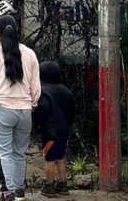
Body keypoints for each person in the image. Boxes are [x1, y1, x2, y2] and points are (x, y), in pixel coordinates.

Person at [0, 15, 41, 201]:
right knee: (19, 152)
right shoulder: (30, 53)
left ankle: (8, 192)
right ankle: (19, 191)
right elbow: (36, 87)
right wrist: (32, 104)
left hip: (1, 109)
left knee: (4, 152)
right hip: (25, 111)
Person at [34, 61, 75, 197]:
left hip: (50, 132)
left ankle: (49, 186)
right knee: (61, 157)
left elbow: (42, 111)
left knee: (49, 158)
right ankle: (63, 184)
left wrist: (38, 125)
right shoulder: (66, 91)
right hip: (64, 131)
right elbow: (72, 111)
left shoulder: (43, 91)